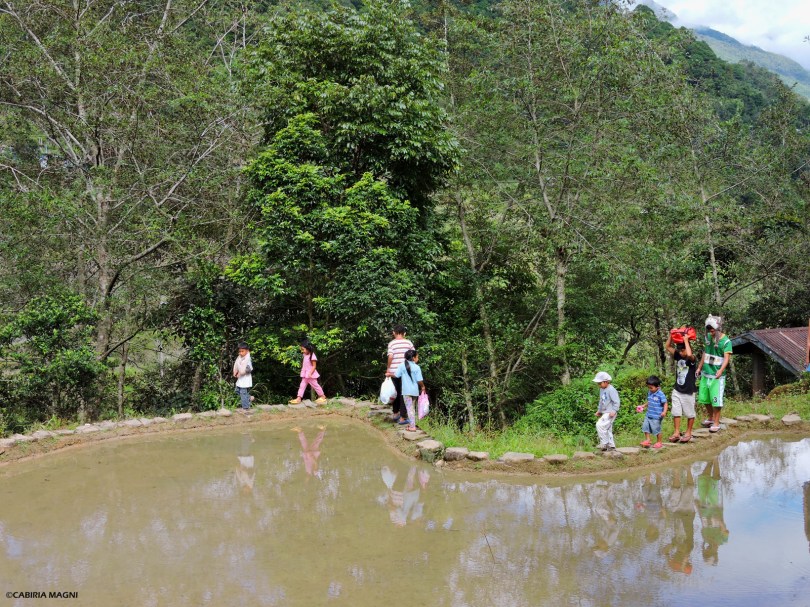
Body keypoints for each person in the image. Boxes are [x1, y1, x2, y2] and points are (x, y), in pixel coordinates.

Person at [696, 315, 732, 433]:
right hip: (706, 373)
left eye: (713, 330)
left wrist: (721, 370)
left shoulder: (726, 341)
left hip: (717, 375)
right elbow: (705, 353)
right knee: (705, 399)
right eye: (709, 330)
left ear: (718, 329)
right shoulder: (708, 339)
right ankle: (711, 418)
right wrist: (699, 367)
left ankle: (716, 422)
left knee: (716, 400)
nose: (711, 333)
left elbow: (726, 358)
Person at [665, 329, 698, 443]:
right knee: (676, 411)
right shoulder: (678, 356)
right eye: (679, 350)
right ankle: (677, 432)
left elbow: (689, 354)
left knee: (689, 413)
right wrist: (671, 334)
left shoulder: (692, 359)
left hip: (688, 391)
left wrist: (686, 340)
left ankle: (688, 432)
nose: (680, 352)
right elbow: (667, 346)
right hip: (677, 390)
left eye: (682, 350)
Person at [696, 457, 729, 565]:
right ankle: (715, 460)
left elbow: (703, 524)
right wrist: (719, 522)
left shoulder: (705, 538)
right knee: (714, 482)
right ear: (714, 553)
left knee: (702, 480)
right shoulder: (721, 541)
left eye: (706, 552)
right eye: (709, 552)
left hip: (703, 508)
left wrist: (698, 508)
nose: (707, 550)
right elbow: (725, 531)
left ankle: (710, 461)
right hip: (714, 507)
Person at [386, 324, 414, 424]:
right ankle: (402, 418)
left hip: (394, 372)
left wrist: (388, 369)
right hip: (405, 371)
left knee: (395, 393)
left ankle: (395, 414)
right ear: (404, 333)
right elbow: (413, 356)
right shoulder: (408, 343)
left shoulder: (391, 344)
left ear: (393, 332)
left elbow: (390, 356)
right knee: (404, 394)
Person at [394, 349, 426, 432]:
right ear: (413, 358)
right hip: (415, 391)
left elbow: (396, 375)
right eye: (417, 356)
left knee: (409, 408)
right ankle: (412, 424)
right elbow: (419, 380)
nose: (418, 358)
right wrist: (423, 386)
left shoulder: (401, 365)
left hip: (406, 391)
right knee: (412, 408)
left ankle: (412, 426)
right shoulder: (417, 367)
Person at [289, 339, 328, 405]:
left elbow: (314, 366)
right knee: (302, 386)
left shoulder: (312, 356)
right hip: (305, 375)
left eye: (303, 349)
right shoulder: (305, 354)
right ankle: (298, 398)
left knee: (316, 386)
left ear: (308, 349)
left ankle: (322, 396)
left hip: (311, 375)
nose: (302, 351)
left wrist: (310, 373)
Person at [639, 375, 668, 449]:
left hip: (657, 416)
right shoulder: (650, 392)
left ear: (657, 387)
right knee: (645, 427)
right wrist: (644, 406)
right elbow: (649, 401)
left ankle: (659, 442)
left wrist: (664, 412)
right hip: (649, 414)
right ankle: (648, 440)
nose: (650, 389)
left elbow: (665, 403)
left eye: (651, 388)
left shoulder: (660, 394)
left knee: (656, 429)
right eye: (649, 387)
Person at [593, 371, 620, 452]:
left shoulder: (611, 390)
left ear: (606, 382)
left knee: (599, 425)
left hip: (610, 412)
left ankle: (604, 443)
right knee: (608, 429)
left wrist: (614, 410)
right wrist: (599, 410)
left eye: (600, 383)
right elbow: (601, 401)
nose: (599, 385)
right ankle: (611, 446)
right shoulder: (602, 389)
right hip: (605, 412)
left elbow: (616, 401)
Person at [233, 341, 253, 411]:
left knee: (243, 393)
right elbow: (238, 366)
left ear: (247, 351)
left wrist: (242, 373)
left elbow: (249, 369)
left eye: (242, 351)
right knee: (237, 391)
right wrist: (237, 372)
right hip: (241, 379)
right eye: (240, 351)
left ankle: (245, 408)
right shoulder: (240, 358)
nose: (241, 353)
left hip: (245, 379)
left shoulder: (248, 359)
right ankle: (249, 398)